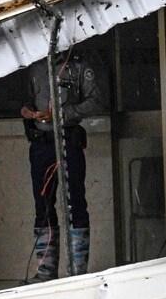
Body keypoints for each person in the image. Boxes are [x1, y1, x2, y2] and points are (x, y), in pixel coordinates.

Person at [20, 51, 105, 281]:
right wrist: (28, 112)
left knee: (75, 202)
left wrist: (62, 113)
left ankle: (77, 270)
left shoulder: (80, 67)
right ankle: (46, 271)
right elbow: (28, 100)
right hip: (41, 143)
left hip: (69, 140)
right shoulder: (35, 67)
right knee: (43, 204)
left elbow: (96, 101)